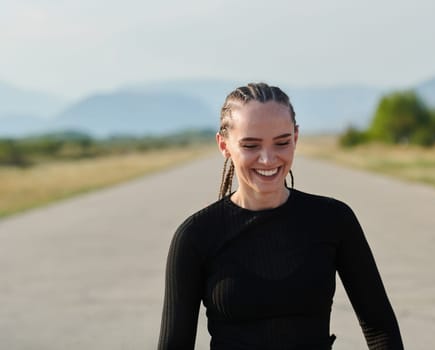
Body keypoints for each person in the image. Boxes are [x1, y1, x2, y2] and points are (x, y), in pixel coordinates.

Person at [158, 82, 404, 350]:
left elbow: (381, 330)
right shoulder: (195, 236)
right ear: (224, 145)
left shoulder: (334, 220)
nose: (268, 159)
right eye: (251, 145)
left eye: (282, 142)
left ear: (296, 138)